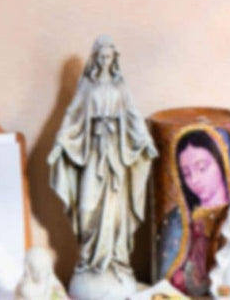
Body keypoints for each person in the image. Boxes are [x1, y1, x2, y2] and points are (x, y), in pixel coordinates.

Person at [47, 36, 157, 298]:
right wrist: (60, 143)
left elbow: (133, 116)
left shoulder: (120, 87)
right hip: (94, 154)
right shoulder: (86, 86)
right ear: (95, 58)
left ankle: (115, 261)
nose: (105, 61)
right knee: (87, 209)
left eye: (109, 57)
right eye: (101, 56)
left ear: (114, 58)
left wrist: (145, 142)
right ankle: (89, 261)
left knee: (116, 213)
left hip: (116, 158)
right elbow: (72, 116)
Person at [166, 131, 230, 296]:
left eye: (202, 168)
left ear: (221, 162)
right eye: (186, 174)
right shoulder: (179, 219)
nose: (194, 180)